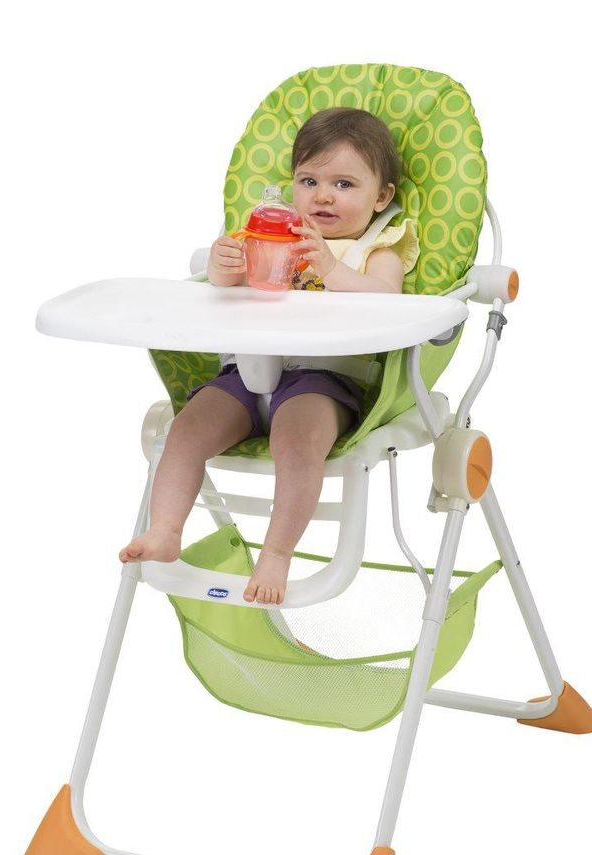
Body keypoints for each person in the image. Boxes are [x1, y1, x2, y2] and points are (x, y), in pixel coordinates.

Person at [119, 107, 420, 604]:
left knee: (297, 442)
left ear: (382, 197)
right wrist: (224, 267)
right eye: (309, 181)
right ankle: (166, 529)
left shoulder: (377, 248)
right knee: (185, 429)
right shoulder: (269, 236)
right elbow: (225, 288)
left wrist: (332, 270)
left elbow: (389, 304)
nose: (323, 196)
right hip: (245, 370)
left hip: (323, 382)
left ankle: (276, 553)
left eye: (344, 184)